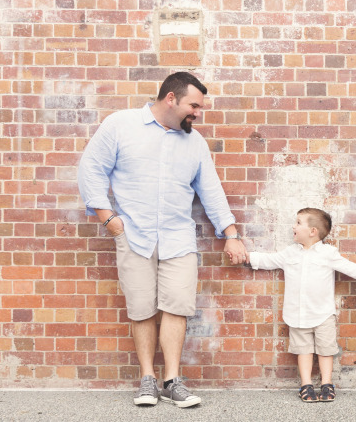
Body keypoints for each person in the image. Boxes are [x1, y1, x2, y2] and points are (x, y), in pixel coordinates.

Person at [78, 72, 249, 408]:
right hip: (134, 234)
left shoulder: (195, 142)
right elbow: (91, 167)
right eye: (194, 105)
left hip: (178, 237)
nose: (197, 112)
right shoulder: (121, 125)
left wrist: (231, 234)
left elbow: (210, 190)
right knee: (141, 308)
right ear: (171, 98)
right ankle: (147, 379)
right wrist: (107, 218)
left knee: (177, 306)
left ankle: (172, 380)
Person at [247, 208, 356, 402]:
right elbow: (268, 260)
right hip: (297, 314)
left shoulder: (328, 253)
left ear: (313, 231)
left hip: (323, 314)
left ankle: (327, 383)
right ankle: (306, 384)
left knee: (326, 349)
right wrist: (246, 256)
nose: (293, 226)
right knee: (303, 350)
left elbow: (348, 267)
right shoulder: (290, 253)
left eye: (298, 223)